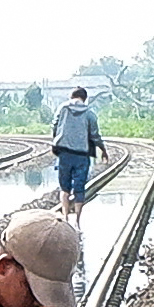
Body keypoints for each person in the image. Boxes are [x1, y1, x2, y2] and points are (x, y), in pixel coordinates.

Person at [50, 87, 103, 217]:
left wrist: (57, 140)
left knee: (65, 188)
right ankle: (78, 221)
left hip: (64, 153)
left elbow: (55, 126)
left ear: (71, 97)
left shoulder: (63, 108)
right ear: (84, 99)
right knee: (80, 189)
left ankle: (66, 216)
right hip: (82, 155)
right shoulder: (89, 112)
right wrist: (102, 148)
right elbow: (94, 134)